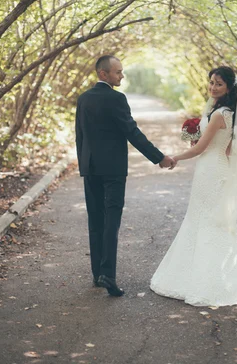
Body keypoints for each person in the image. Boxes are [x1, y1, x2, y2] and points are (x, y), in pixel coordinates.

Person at [150, 66, 237, 306]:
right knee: (202, 218)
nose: (213, 87)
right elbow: (222, 146)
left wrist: (175, 158)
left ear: (229, 88)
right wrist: (193, 134)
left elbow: (200, 148)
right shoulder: (225, 112)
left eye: (219, 84)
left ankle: (211, 282)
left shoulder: (219, 114)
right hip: (213, 168)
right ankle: (194, 277)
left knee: (207, 221)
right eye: (212, 82)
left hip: (211, 170)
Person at [75, 55, 175, 297]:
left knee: (95, 221)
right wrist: (159, 157)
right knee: (111, 221)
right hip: (113, 171)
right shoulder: (116, 99)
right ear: (103, 74)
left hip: (90, 169)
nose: (121, 76)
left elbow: (79, 136)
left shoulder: (83, 99)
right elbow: (132, 132)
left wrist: (83, 166)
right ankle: (108, 273)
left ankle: (97, 275)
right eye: (117, 72)